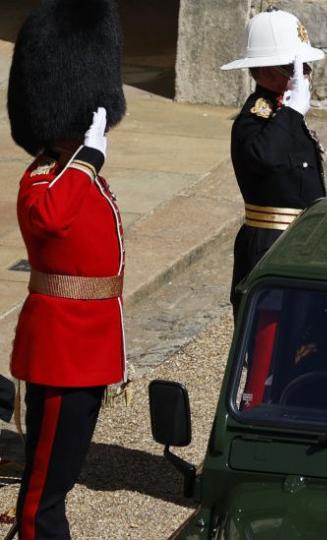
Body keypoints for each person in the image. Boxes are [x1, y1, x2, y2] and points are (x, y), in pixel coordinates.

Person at [6, 0, 127, 537]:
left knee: (60, 478)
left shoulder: (77, 176)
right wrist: (89, 159)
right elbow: (53, 219)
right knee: (41, 497)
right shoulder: (44, 181)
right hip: (61, 353)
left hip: (88, 348)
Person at [220, 8, 327, 317]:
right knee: (271, 345)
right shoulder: (255, 119)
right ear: (268, 72)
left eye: (305, 66)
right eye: (295, 67)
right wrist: (293, 112)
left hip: (301, 241)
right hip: (271, 246)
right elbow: (264, 156)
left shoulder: (283, 117)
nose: (305, 73)